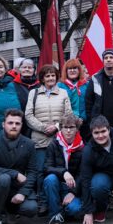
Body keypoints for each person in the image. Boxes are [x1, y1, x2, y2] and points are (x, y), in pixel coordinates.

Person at [25, 64, 73, 215]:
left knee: (58, 170)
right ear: (42, 78)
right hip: (39, 139)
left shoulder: (64, 93)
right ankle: (43, 202)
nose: (50, 78)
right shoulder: (33, 93)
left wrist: (57, 126)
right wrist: (43, 127)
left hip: (59, 139)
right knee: (40, 171)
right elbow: (28, 115)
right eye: (47, 76)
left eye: (53, 75)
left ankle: (59, 199)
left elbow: (68, 115)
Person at [0, 109, 38, 224]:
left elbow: (32, 172)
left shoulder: (29, 144)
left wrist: (23, 193)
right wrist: (14, 173)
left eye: (17, 123)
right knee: (4, 178)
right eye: (10, 123)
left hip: (17, 187)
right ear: (3, 124)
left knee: (31, 208)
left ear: (21, 125)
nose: (14, 126)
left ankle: (11, 211)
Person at [42, 114, 85, 224]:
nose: (68, 130)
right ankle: (55, 215)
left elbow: (83, 174)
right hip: (57, 184)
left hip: (73, 187)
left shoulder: (82, 147)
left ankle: (61, 209)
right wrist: (63, 172)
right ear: (61, 128)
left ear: (77, 129)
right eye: (65, 127)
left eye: (72, 127)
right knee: (50, 178)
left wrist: (72, 193)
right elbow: (46, 168)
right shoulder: (54, 144)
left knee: (74, 209)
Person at [85, 48, 113, 130]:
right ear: (103, 61)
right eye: (106, 58)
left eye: (111, 57)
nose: (108, 60)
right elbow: (89, 102)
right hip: (101, 127)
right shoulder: (95, 79)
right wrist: (91, 121)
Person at [58, 58, 90, 123]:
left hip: (84, 121)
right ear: (66, 71)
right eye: (70, 68)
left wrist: (82, 118)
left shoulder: (87, 85)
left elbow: (89, 103)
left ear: (79, 70)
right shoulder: (60, 86)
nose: (72, 70)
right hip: (66, 122)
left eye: (75, 68)